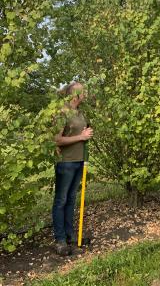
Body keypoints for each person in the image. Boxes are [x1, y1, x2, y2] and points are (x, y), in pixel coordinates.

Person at [52, 81, 93, 256]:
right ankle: (60, 240)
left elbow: (83, 134)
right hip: (66, 162)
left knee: (71, 199)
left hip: (79, 161)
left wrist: (87, 134)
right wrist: (81, 136)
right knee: (61, 200)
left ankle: (70, 236)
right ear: (75, 94)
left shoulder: (79, 112)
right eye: (83, 92)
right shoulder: (63, 112)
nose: (86, 94)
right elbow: (57, 140)